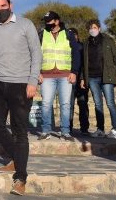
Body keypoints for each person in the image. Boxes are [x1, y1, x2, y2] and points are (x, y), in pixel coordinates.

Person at [0, 0, 41, 196]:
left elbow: (36, 53)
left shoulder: (26, 25)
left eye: (3, 6)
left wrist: (33, 81)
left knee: (19, 130)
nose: (0, 10)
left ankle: (20, 178)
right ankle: (17, 158)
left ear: (10, 5)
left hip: (21, 85)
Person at [38, 11, 81, 141]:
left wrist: (74, 72)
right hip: (46, 75)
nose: (47, 23)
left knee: (65, 104)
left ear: (57, 21)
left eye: (50, 20)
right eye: (46, 21)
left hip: (65, 75)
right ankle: (46, 131)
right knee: (46, 103)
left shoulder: (68, 34)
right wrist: (37, 72)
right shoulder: (41, 35)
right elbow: (35, 54)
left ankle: (65, 132)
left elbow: (76, 54)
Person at [80, 20, 116, 139]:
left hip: (107, 76)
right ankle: (100, 129)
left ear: (99, 28)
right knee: (98, 104)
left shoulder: (108, 41)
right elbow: (83, 63)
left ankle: (115, 129)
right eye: (90, 28)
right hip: (92, 77)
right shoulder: (86, 43)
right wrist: (83, 78)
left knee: (110, 103)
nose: (92, 30)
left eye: (94, 27)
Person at [67, 28, 90, 136]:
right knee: (69, 105)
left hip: (81, 80)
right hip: (69, 80)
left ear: (77, 35)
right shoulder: (66, 47)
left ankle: (84, 128)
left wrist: (82, 78)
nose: (72, 37)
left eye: (74, 34)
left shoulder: (82, 47)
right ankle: (69, 127)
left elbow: (84, 65)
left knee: (83, 104)